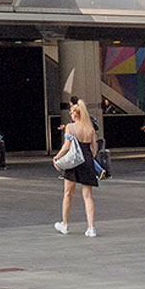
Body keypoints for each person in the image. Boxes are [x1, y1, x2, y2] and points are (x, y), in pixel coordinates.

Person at [53, 98, 98, 237]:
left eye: (71, 113)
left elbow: (66, 147)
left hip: (74, 162)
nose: (70, 115)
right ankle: (91, 227)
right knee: (87, 195)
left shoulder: (70, 127)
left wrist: (56, 158)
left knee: (68, 194)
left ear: (75, 114)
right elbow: (94, 149)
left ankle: (65, 224)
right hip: (87, 161)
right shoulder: (90, 128)